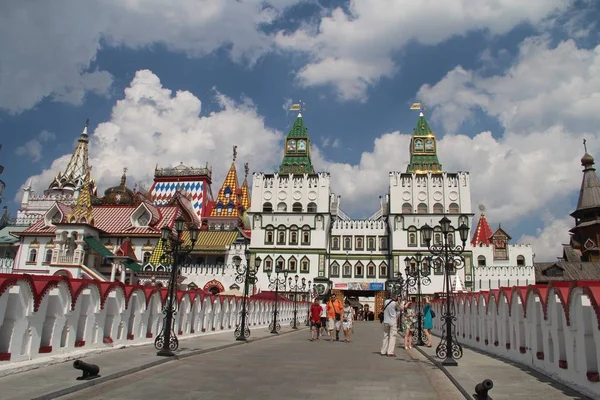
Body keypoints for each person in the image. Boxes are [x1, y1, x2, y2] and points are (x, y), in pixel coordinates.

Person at [380, 292, 402, 357]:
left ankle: (383, 351)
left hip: (386, 321)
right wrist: (399, 301)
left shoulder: (386, 302)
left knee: (385, 336)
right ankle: (390, 352)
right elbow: (401, 309)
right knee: (392, 336)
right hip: (392, 321)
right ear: (395, 297)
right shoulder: (395, 303)